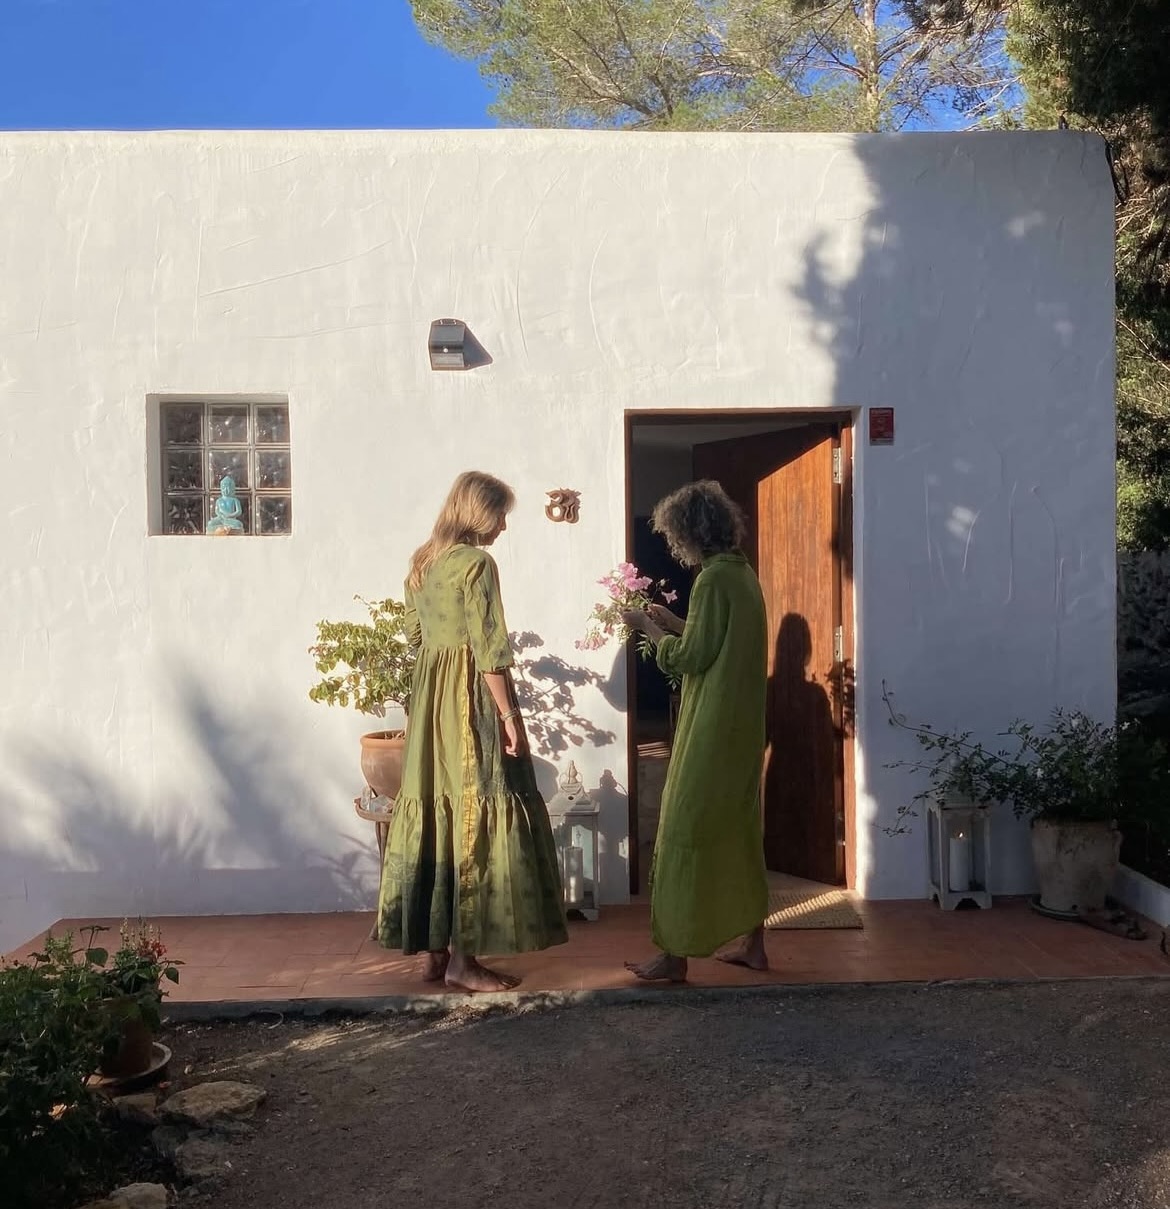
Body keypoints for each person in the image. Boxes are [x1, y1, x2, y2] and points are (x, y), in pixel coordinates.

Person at [377, 471, 568, 992]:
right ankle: (464, 961)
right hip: (468, 702)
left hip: (431, 703)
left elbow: (415, 635)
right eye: (500, 515)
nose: (503, 526)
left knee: (437, 809)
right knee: (474, 812)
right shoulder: (477, 564)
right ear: (480, 513)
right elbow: (490, 648)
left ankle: (434, 955)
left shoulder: (423, 562)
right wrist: (508, 717)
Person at [621, 480, 770, 982]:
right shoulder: (741, 574)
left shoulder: (711, 580)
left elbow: (690, 658)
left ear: (688, 533)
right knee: (738, 830)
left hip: (711, 726)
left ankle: (674, 952)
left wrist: (648, 627)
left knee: (682, 829)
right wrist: (675, 620)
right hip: (742, 727)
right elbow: (719, 640)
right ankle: (753, 943)